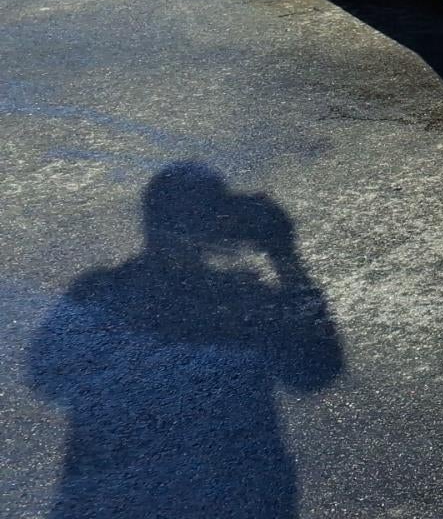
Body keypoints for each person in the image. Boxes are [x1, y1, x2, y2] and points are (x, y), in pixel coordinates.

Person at [27, 162, 343, 518]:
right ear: (220, 224)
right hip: (237, 497)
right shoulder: (244, 302)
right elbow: (316, 370)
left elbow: (45, 376)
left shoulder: (100, 294)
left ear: (149, 222)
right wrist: (285, 258)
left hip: (114, 499)